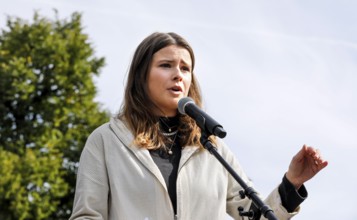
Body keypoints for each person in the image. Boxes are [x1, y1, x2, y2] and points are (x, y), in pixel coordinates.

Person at [69, 32, 328, 220]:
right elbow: (87, 216)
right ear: (141, 76)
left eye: (185, 68)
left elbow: (254, 216)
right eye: (165, 65)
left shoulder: (211, 147)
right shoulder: (106, 141)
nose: (178, 75)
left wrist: (291, 183)